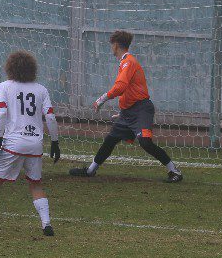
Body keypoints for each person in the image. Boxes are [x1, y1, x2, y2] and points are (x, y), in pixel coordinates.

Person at [0, 51, 60, 237]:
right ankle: (47, 225)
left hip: (12, 143)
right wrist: (55, 142)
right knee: (36, 184)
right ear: (32, 69)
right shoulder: (41, 90)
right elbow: (50, 117)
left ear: (10, 68)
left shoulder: (3, 86)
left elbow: (1, 113)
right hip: (35, 144)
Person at [69, 31, 182, 183]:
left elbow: (120, 87)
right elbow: (129, 90)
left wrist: (101, 99)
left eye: (112, 45)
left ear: (115, 45)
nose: (111, 47)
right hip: (128, 112)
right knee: (110, 140)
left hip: (141, 110)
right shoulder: (125, 62)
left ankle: (174, 171)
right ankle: (90, 171)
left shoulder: (128, 62)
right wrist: (123, 111)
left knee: (145, 142)